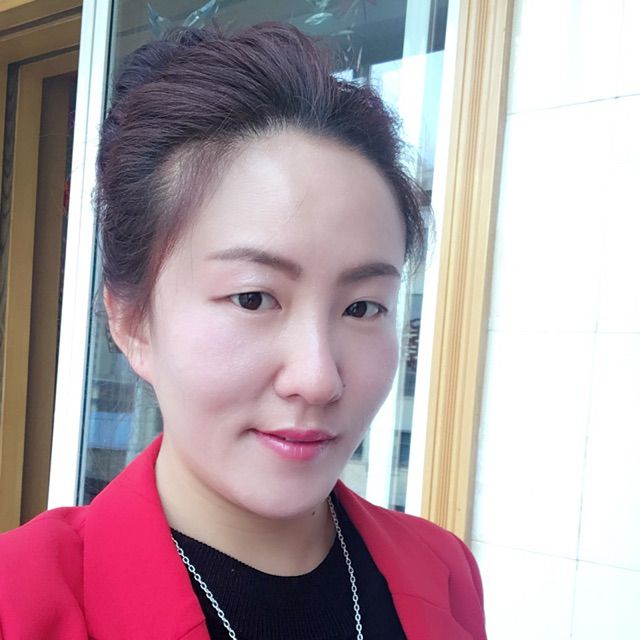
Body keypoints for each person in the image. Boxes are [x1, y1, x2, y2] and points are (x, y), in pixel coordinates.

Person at [0, 23, 486, 640]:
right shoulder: (21, 600)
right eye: (253, 298)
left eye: (363, 307)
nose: (318, 378)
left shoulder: (443, 570)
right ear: (131, 321)